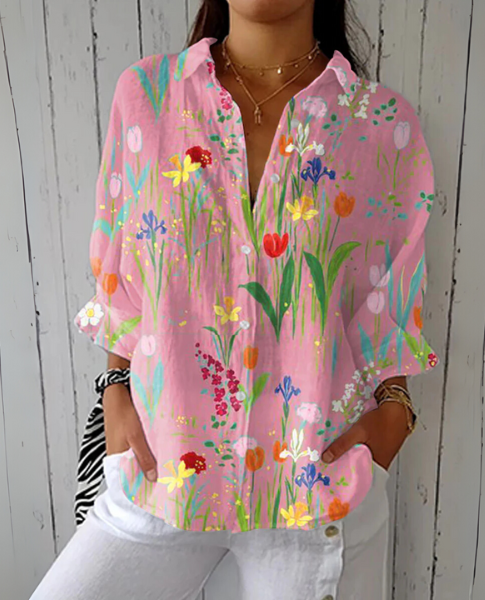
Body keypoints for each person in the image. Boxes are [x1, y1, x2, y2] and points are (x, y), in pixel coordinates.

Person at [31, 0, 439, 598]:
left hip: (311, 492)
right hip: (162, 472)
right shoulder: (149, 95)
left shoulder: (379, 122)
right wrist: (115, 385)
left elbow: (390, 299)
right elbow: (125, 270)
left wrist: (394, 413)